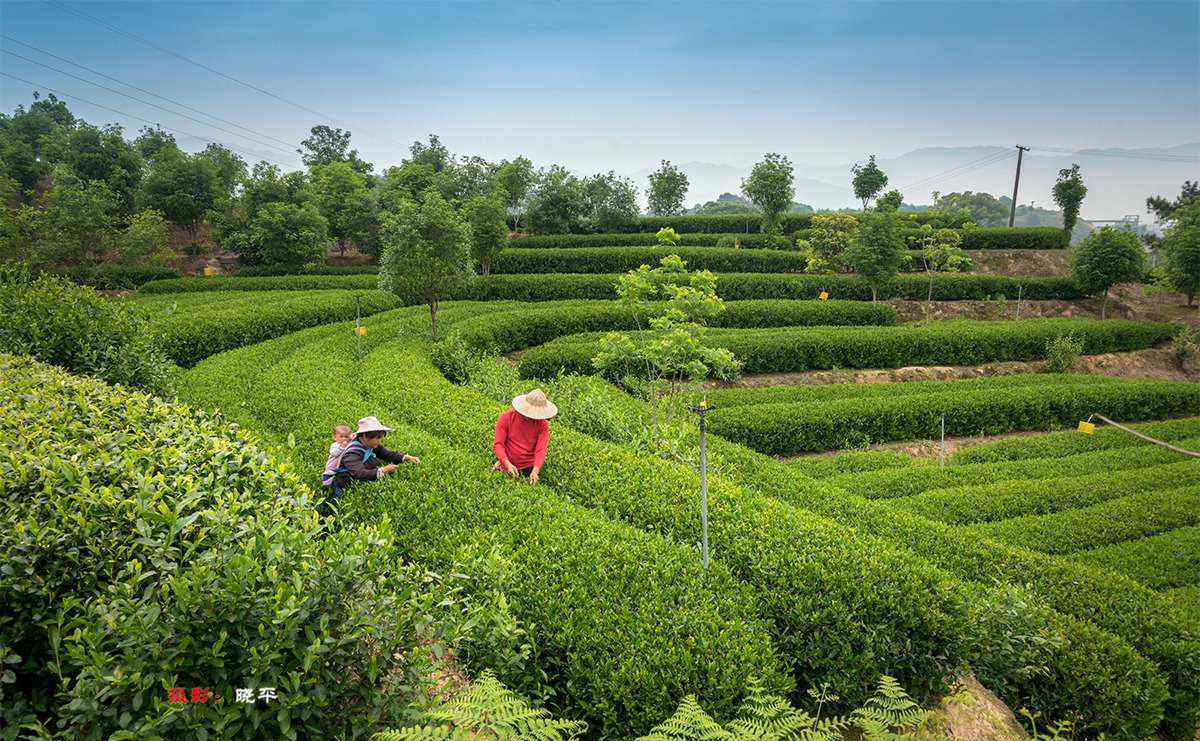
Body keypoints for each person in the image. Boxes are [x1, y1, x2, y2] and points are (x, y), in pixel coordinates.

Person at [324, 416, 420, 513]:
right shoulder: (352, 454)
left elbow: (386, 453)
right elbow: (360, 474)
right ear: (364, 436)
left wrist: (407, 457)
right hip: (343, 477)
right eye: (377, 438)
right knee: (338, 499)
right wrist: (384, 470)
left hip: (357, 468)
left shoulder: (370, 443)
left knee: (375, 460)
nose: (379, 441)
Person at [492, 389, 556, 485]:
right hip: (507, 461)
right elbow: (498, 444)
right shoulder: (506, 417)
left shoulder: (543, 424)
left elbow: (541, 450)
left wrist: (535, 471)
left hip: (528, 466)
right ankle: (498, 465)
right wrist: (506, 463)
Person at [320, 424, 353, 489]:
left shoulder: (349, 444)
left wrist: (351, 437)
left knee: (340, 482)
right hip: (332, 468)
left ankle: (337, 491)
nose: (344, 438)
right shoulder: (335, 445)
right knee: (327, 481)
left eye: (346, 436)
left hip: (342, 468)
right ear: (335, 438)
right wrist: (342, 447)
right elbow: (334, 453)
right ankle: (326, 486)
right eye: (341, 436)